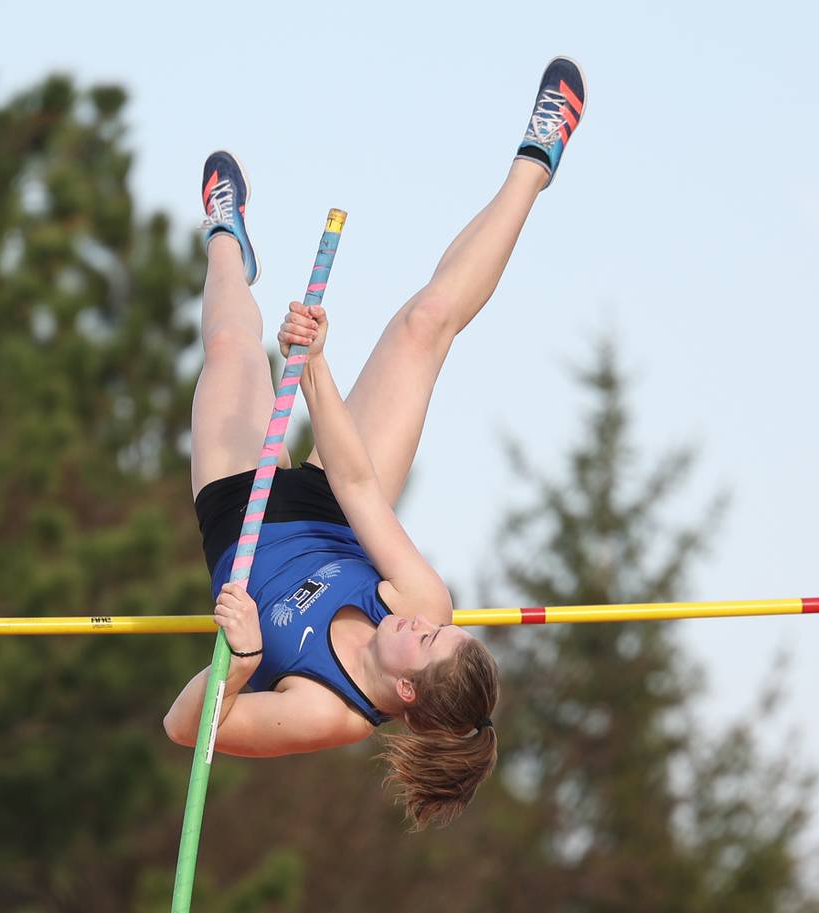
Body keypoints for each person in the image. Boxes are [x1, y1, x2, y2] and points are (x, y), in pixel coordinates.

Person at [164, 57, 586, 829]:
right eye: (435, 624)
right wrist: (315, 367)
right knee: (423, 327)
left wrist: (245, 663)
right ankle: (537, 158)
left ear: (405, 692)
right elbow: (359, 490)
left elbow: (186, 729)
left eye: (425, 640)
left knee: (231, 346)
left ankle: (225, 237)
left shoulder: (329, 711)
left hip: (241, 521)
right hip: (331, 501)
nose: (423, 619)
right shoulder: (422, 602)